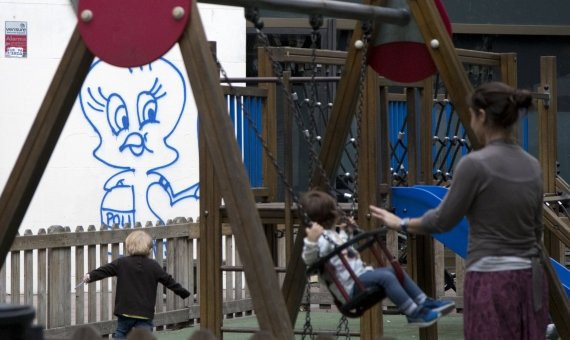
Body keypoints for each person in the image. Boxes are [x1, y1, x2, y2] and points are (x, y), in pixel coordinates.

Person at [369, 81, 549, 339]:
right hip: (531, 279)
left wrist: (401, 223)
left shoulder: (475, 164)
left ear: (482, 116)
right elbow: (537, 227)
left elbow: (442, 220)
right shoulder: (532, 165)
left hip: (492, 278)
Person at [300, 190, 454, 327]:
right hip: (351, 287)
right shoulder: (317, 240)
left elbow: (343, 249)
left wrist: (348, 232)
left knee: (393, 271)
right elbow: (309, 260)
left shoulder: (333, 235)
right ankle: (414, 313)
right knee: (386, 276)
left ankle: (423, 301)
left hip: (360, 277)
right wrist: (311, 241)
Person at [82, 230, 190, 339]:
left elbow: (104, 270)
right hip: (144, 313)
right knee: (144, 336)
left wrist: (90, 276)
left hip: (125, 311)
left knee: (121, 333)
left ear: (128, 247)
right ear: (149, 249)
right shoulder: (153, 266)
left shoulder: (122, 263)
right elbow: (169, 281)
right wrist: (183, 292)